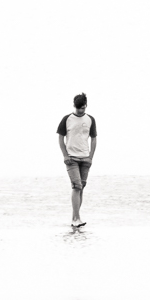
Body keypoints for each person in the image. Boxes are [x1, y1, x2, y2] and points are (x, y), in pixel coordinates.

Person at [56, 93, 99, 228]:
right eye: (79, 108)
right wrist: (65, 155)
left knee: (81, 188)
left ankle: (75, 218)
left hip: (85, 158)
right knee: (76, 186)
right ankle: (77, 218)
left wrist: (90, 157)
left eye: (83, 108)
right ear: (74, 106)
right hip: (71, 158)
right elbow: (60, 138)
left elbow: (93, 138)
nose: (81, 110)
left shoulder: (90, 119)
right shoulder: (67, 119)